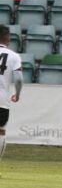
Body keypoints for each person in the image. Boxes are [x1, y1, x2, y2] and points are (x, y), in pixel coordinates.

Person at [0, 25, 22, 166]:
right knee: (1, 132)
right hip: (1, 100)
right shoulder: (13, 56)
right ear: (7, 37)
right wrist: (17, 94)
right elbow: (19, 79)